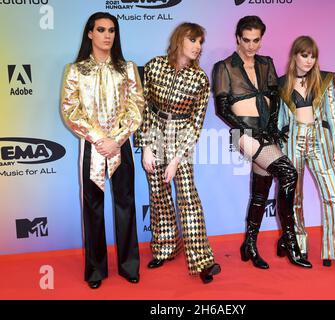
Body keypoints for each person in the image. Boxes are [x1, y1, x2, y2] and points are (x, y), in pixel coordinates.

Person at [212, 16, 311, 269]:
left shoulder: (266, 63)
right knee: (288, 173)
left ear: (261, 40)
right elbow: (222, 109)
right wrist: (247, 131)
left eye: (256, 40)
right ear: (237, 38)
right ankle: (290, 241)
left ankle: (249, 243)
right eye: (246, 40)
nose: (251, 46)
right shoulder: (223, 67)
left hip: (266, 133)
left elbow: (275, 100)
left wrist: (272, 129)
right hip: (243, 133)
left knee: (261, 190)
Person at [61, 12, 144, 289]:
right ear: (90, 34)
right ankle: (95, 270)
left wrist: (117, 139)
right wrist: (99, 138)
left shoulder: (128, 68)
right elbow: (70, 110)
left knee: (126, 205)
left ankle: (129, 265)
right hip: (91, 148)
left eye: (112, 30)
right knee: (93, 209)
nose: (108, 35)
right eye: (101, 29)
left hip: (121, 147)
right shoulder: (75, 71)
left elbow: (136, 107)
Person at [134, 22, 221, 284]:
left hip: (181, 138)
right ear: (179, 40)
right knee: (158, 195)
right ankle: (165, 247)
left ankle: (203, 260)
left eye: (200, 42)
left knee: (188, 197)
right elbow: (144, 107)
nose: (197, 46)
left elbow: (196, 124)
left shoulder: (200, 80)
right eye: (193, 40)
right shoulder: (154, 66)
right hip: (154, 132)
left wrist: (176, 159)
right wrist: (146, 146)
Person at [278, 36, 335, 270]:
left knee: (334, 195)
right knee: (294, 197)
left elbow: (332, 114)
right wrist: (280, 149)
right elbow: (281, 120)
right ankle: (298, 245)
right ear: (295, 56)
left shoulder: (324, 80)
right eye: (304, 55)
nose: (308, 60)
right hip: (293, 142)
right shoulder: (282, 83)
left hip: (318, 141)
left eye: (312, 56)